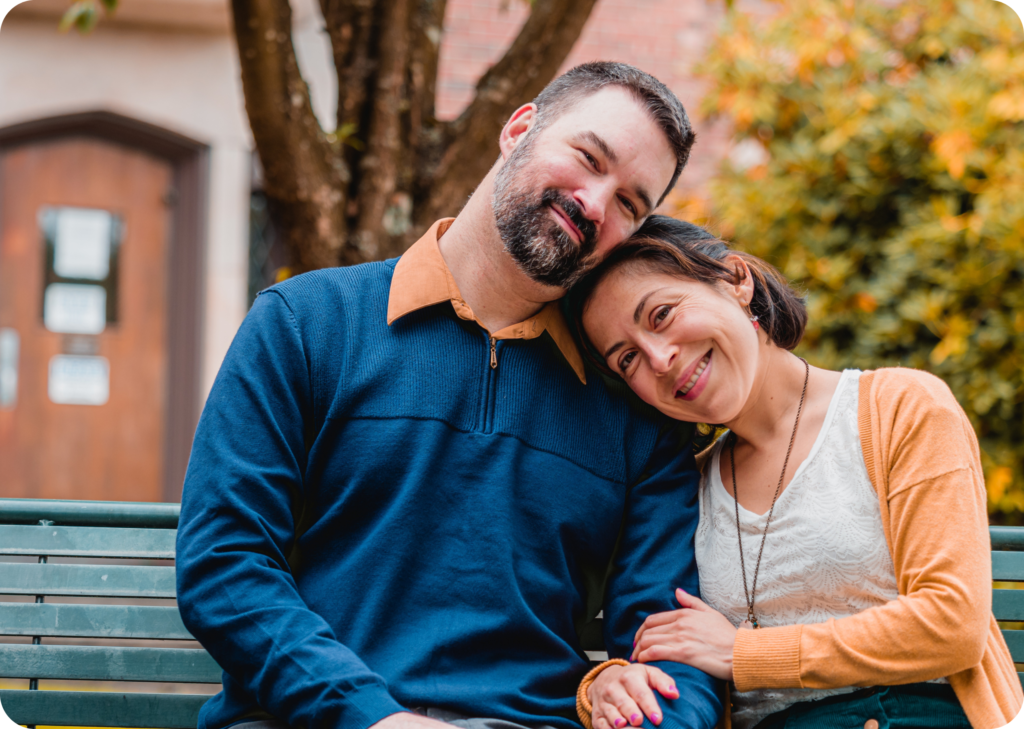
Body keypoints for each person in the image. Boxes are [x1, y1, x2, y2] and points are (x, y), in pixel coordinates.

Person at [176, 64, 723, 729]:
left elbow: (672, 650)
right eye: (587, 157)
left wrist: (657, 710)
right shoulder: (305, 322)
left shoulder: (636, 413)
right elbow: (225, 565)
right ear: (521, 128)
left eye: (630, 204)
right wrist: (373, 718)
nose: (595, 203)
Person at [572, 215, 1023, 729]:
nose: (659, 358)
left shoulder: (901, 408)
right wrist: (602, 683)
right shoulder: (680, 493)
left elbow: (952, 623)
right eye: (627, 358)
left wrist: (745, 653)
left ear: (736, 280)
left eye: (662, 314)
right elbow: (654, 645)